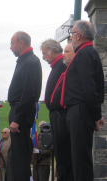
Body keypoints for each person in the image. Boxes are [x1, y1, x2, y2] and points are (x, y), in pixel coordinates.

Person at [53, 20, 104, 181]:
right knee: (78, 159)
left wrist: (96, 115)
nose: (71, 38)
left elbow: (90, 88)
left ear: (79, 35)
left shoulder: (84, 54)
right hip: (78, 111)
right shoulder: (87, 52)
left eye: (72, 34)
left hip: (80, 111)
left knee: (81, 161)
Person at [7, 31, 42, 181]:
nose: (10, 47)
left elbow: (28, 93)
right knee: (17, 155)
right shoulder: (24, 60)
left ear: (21, 43)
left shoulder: (29, 62)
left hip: (21, 112)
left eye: (12, 43)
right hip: (18, 110)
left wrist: (17, 118)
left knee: (20, 156)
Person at [41, 39, 66, 180]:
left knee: (62, 156)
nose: (43, 57)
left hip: (59, 114)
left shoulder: (62, 65)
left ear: (53, 50)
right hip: (55, 114)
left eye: (45, 53)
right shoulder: (57, 66)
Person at [50, 43, 75, 181]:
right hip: (59, 116)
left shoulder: (72, 70)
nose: (63, 54)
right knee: (61, 156)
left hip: (67, 116)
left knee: (66, 157)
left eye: (66, 51)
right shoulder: (65, 69)